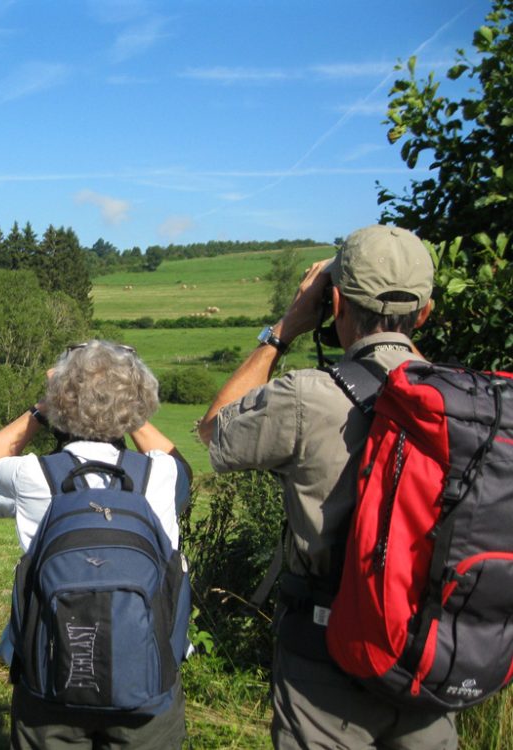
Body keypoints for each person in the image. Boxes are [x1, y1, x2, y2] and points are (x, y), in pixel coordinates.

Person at [198, 224, 456, 750]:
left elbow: (214, 431)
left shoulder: (307, 397)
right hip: (432, 655)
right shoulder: (466, 402)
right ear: (424, 314)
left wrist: (285, 327)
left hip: (327, 654)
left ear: (333, 303)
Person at [0, 339, 192, 749]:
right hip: (147, 688)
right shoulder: (158, 474)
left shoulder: (34, 475)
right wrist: (127, 407)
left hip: (50, 682)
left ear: (59, 404)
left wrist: (42, 406)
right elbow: (182, 465)